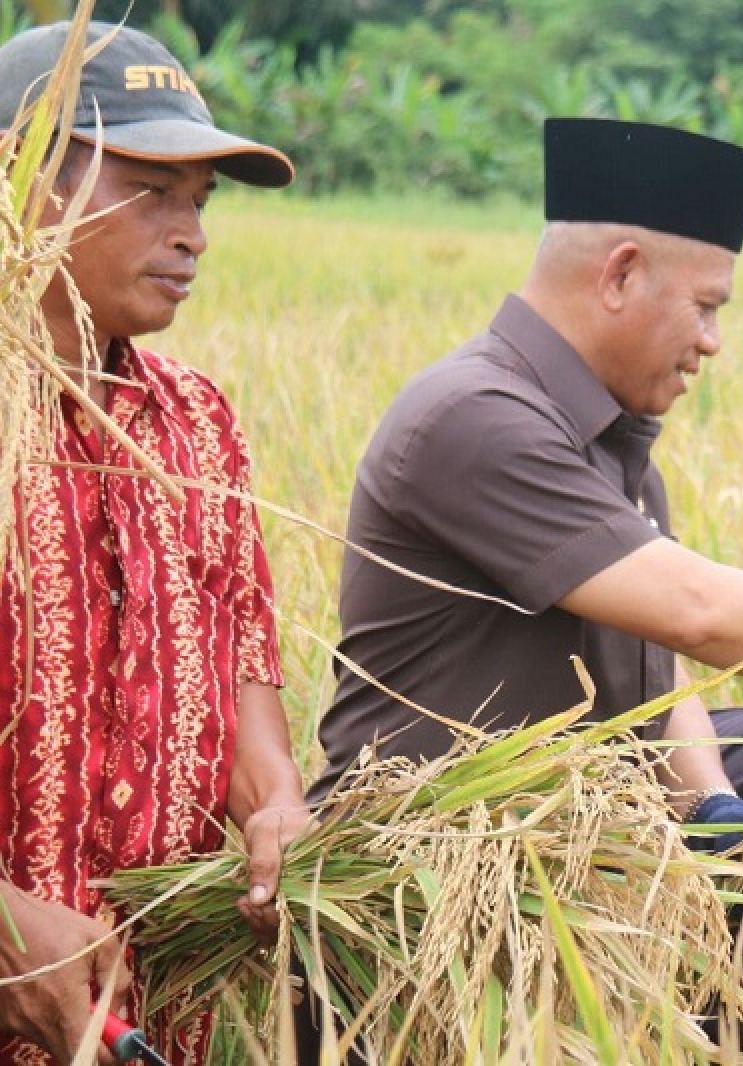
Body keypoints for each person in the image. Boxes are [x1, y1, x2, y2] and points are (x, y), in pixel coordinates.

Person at [308, 118, 743, 1052]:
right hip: (442, 867)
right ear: (621, 274)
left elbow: (654, 670)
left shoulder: (608, 446)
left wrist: (712, 804)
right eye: (707, 306)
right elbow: (701, 614)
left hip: (590, 836)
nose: (713, 342)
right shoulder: (475, 417)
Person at [0, 22, 308, 1066]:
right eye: (152, 191)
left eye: (201, 203)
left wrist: (278, 812)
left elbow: (245, 686)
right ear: (20, 183)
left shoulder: (197, 425)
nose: (194, 236)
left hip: (156, 1022)